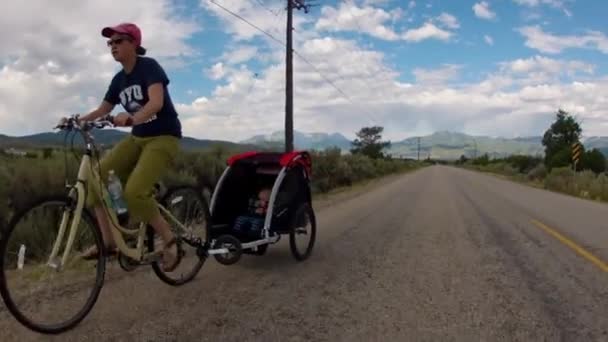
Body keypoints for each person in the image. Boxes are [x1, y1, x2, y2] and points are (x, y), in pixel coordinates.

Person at [70, 23, 182, 272]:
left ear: (133, 43)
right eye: (110, 43)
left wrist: (132, 118)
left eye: (118, 40)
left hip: (163, 137)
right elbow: (103, 110)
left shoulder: (149, 67)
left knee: (134, 192)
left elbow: (156, 102)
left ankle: (170, 240)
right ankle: (108, 242)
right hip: (138, 139)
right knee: (96, 180)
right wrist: (76, 121)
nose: (113, 46)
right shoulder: (118, 80)